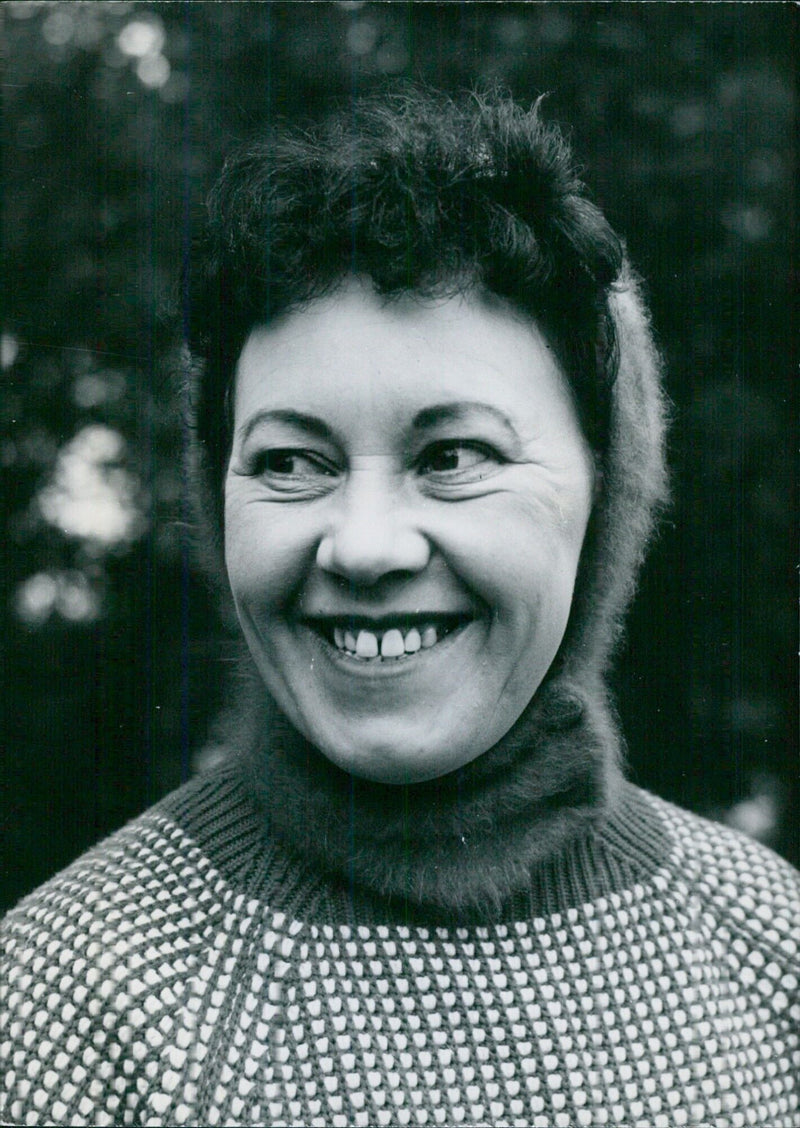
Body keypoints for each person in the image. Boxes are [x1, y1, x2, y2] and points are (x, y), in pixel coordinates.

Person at [1, 88, 798, 1128]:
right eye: (290, 462)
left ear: (607, 489)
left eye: (452, 456)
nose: (364, 545)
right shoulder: (70, 1006)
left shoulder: (770, 953)